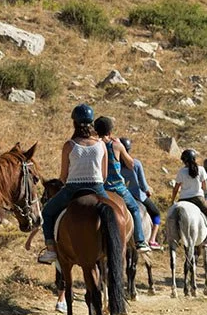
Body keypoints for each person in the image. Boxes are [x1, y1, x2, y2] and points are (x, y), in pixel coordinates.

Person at [37, 104, 109, 264]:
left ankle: (50, 251)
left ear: (74, 123)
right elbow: (104, 176)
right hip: (97, 188)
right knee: (117, 214)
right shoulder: (101, 145)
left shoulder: (69, 146)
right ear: (92, 122)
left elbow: (63, 176)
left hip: (73, 188)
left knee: (47, 213)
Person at [93, 117, 150, 254]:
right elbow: (131, 164)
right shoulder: (116, 145)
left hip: (99, 187)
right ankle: (140, 241)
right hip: (117, 187)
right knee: (135, 209)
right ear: (110, 130)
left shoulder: (94, 144)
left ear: (96, 130)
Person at [170, 149, 207, 249]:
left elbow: (176, 188)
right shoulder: (201, 169)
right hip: (198, 199)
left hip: (183, 200)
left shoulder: (181, 172)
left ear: (183, 161)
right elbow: (204, 187)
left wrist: (172, 201)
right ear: (194, 158)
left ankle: (174, 238)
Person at [119, 137, 162, 250]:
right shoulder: (136, 163)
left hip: (121, 196)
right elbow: (143, 184)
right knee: (156, 214)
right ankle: (152, 240)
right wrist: (148, 191)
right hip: (138, 196)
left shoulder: (116, 165)